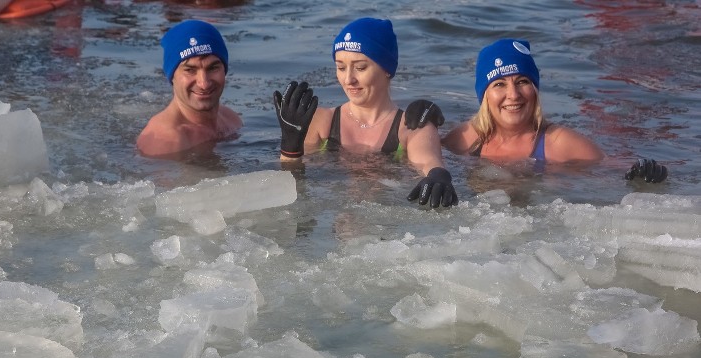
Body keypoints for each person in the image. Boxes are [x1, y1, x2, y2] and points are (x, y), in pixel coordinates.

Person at [407, 38, 667, 183]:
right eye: (499, 84)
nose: (513, 95)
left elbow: (612, 169)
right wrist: (422, 121)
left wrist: (645, 170)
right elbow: (418, 156)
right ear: (484, 95)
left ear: (535, 89)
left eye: (522, 81)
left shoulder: (560, 143)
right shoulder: (464, 139)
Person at [274, 17, 458, 208]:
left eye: (360, 67)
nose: (348, 79)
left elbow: (429, 163)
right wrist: (290, 147)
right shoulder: (321, 122)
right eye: (341, 67)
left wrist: (438, 174)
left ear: (386, 69)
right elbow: (292, 188)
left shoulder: (412, 126)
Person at [136, 19, 242, 158]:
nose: (204, 83)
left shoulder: (231, 119)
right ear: (171, 76)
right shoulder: (167, 141)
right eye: (190, 70)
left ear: (225, 70)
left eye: (213, 68)